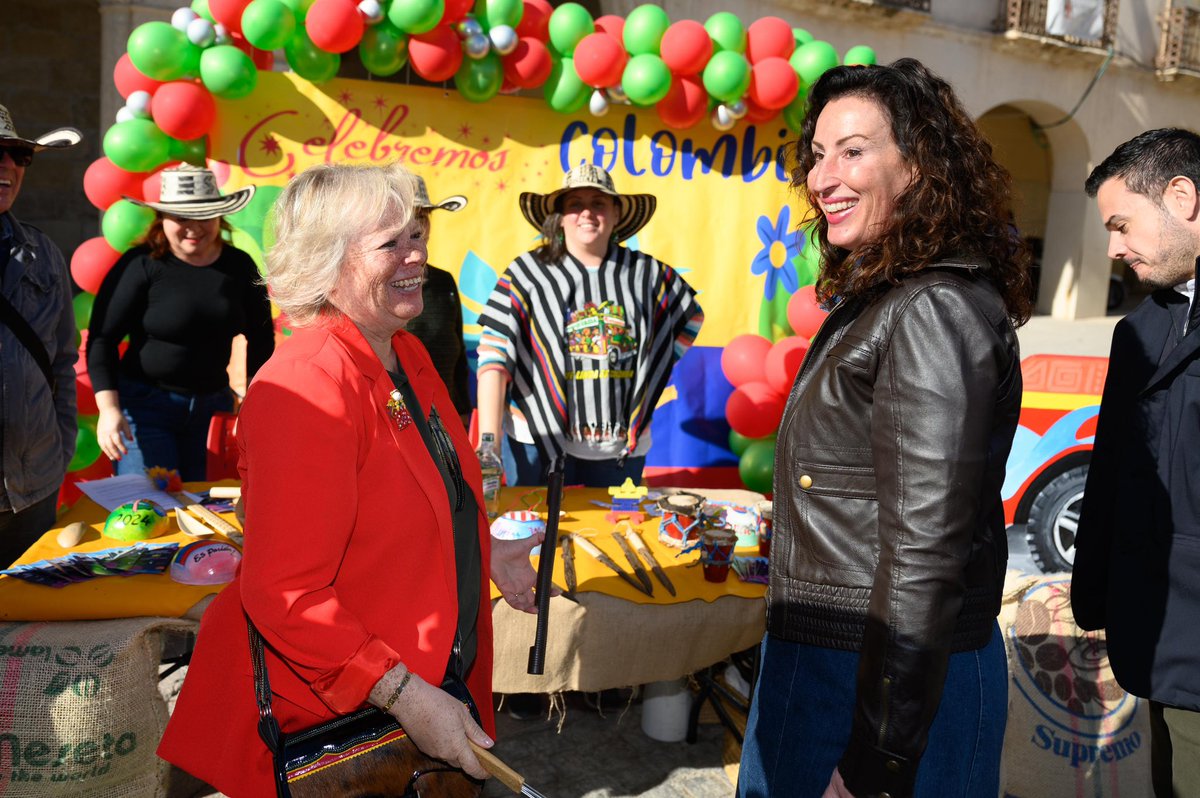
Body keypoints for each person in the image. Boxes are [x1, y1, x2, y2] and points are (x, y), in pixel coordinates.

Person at [158, 163, 544, 795]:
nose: (416, 254)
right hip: (351, 718)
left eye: (417, 234)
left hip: (422, 686)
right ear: (325, 260)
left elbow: (416, 499)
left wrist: (480, 550)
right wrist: (407, 696)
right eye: (390, 243)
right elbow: (286, 594)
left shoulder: (406, 353)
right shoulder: (305, 384)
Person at [738, 59, 1032, 798]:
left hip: (883, 686)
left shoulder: (933, 309)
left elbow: (927, 553)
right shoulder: (885, 296)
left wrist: (876, 760)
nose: (823, 175)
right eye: (817, 155)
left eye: (854, 151)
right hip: (833, 662)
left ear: (918, 168)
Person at [1070, 128, 1200, 797]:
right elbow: (1112, 474)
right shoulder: (1142, 330)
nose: (1114, 248)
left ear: (1181, 196)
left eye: (1122, 224)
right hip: (1152, 641)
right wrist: (1094, 598)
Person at [476, 162, 703, 488]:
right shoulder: (527, 273)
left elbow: (690, 316)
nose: (587, 212)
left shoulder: (647, 274)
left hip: (620, 448)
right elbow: (494, 356)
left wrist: (649, 371)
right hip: (535, 441)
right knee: (536, 534)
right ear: (560, 216)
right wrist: (489, 443)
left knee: (613, 531)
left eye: (598, 203)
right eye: (575, 204)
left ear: (616, 213)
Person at [86, 164, 274, 482]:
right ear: (163, 219)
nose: (193, 228)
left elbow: (261, 337)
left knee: (210, 509)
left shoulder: (239, 265)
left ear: (220, 216)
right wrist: (109, 410)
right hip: (146, 408)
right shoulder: (141, 264)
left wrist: (252, 405)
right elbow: (102, 338)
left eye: (204, 216)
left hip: (213, 408)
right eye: (181, 218)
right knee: (148, 510)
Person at [0, 104, 80, 567]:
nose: (8, 166)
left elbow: (62, 362)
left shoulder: (42, 253)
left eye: (18, 155)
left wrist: (60, 450)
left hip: (32, 493)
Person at [404, 174, 472, 427]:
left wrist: (462, 412)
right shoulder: (380, 286)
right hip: (403, 422)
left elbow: (459, 354)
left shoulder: (444, 282)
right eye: (408, 218)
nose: (417, 226)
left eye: (422, 216)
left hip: (448, 419)